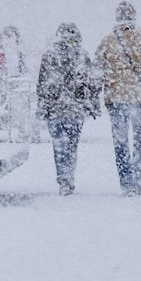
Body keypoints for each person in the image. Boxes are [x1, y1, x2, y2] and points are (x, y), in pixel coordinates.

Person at [95, 1, 141, 196]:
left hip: (116, 98)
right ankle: (140, 180)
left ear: (117, 18)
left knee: (121, 143)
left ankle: (127, 182)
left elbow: (97, 70)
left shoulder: (108, 41)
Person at [36, 23, 100, 196]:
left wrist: (42, 105)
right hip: (75, 108)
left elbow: (42, 83)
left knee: (59, 146)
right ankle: (68, 177)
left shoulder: (50, 54)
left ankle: (63, 179)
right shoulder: (82, 54)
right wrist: (93, 104)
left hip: (55, 107)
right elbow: (92, 82)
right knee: (71, 146)